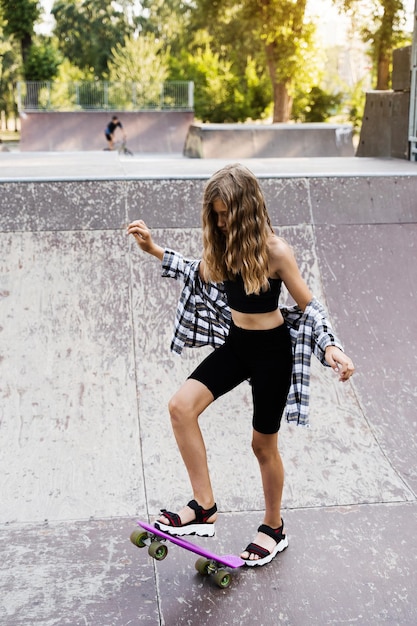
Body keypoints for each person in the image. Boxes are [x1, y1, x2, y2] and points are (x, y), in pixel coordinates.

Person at [127, 163, 355, 567]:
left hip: (272, 351)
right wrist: (154, 250)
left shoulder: (275, 252)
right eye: (214, 214)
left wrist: (331, 347)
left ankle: (273, 527)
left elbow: (309, 305)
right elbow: (195, 272)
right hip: (237, 345)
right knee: (180, 407)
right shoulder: (222, 245)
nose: (219, 221)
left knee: (262, 445)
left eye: (226, 213)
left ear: (246, 209)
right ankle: (203, 506)